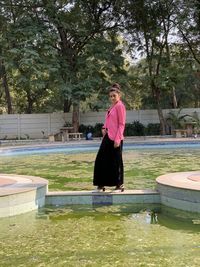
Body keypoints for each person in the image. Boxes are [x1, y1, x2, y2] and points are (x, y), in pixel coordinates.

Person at [93, 83, 126, 192]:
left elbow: (121, 124)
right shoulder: (112, 106)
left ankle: (119, 185)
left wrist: (117, 139)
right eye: (110, 96)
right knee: (101, 159)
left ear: (119, 96)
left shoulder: (120, 106)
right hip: (108, 136)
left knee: (116, 162)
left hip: (116, 138)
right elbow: (108, 120)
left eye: (114, 96)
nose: (112, 98)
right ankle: (101, 184)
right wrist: (104, 127)